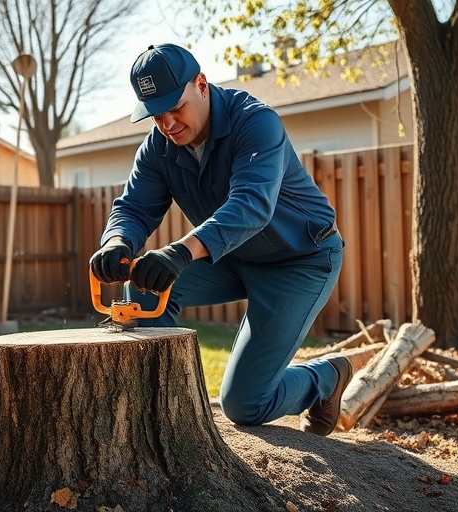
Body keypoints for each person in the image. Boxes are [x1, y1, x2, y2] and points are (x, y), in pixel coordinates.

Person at [89, 43, 351, 435]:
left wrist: (180, 251)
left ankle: (325, 378)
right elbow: (133, 208)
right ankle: (163, 418)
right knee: (142, 290)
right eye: (156, 115)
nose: (168, 124)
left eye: (175, 108)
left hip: (299, 260)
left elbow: (251, 206)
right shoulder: (158, 149)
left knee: (245, 404)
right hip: (229, 256)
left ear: (201, 84)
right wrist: (116, 242)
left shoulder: (256, 123)